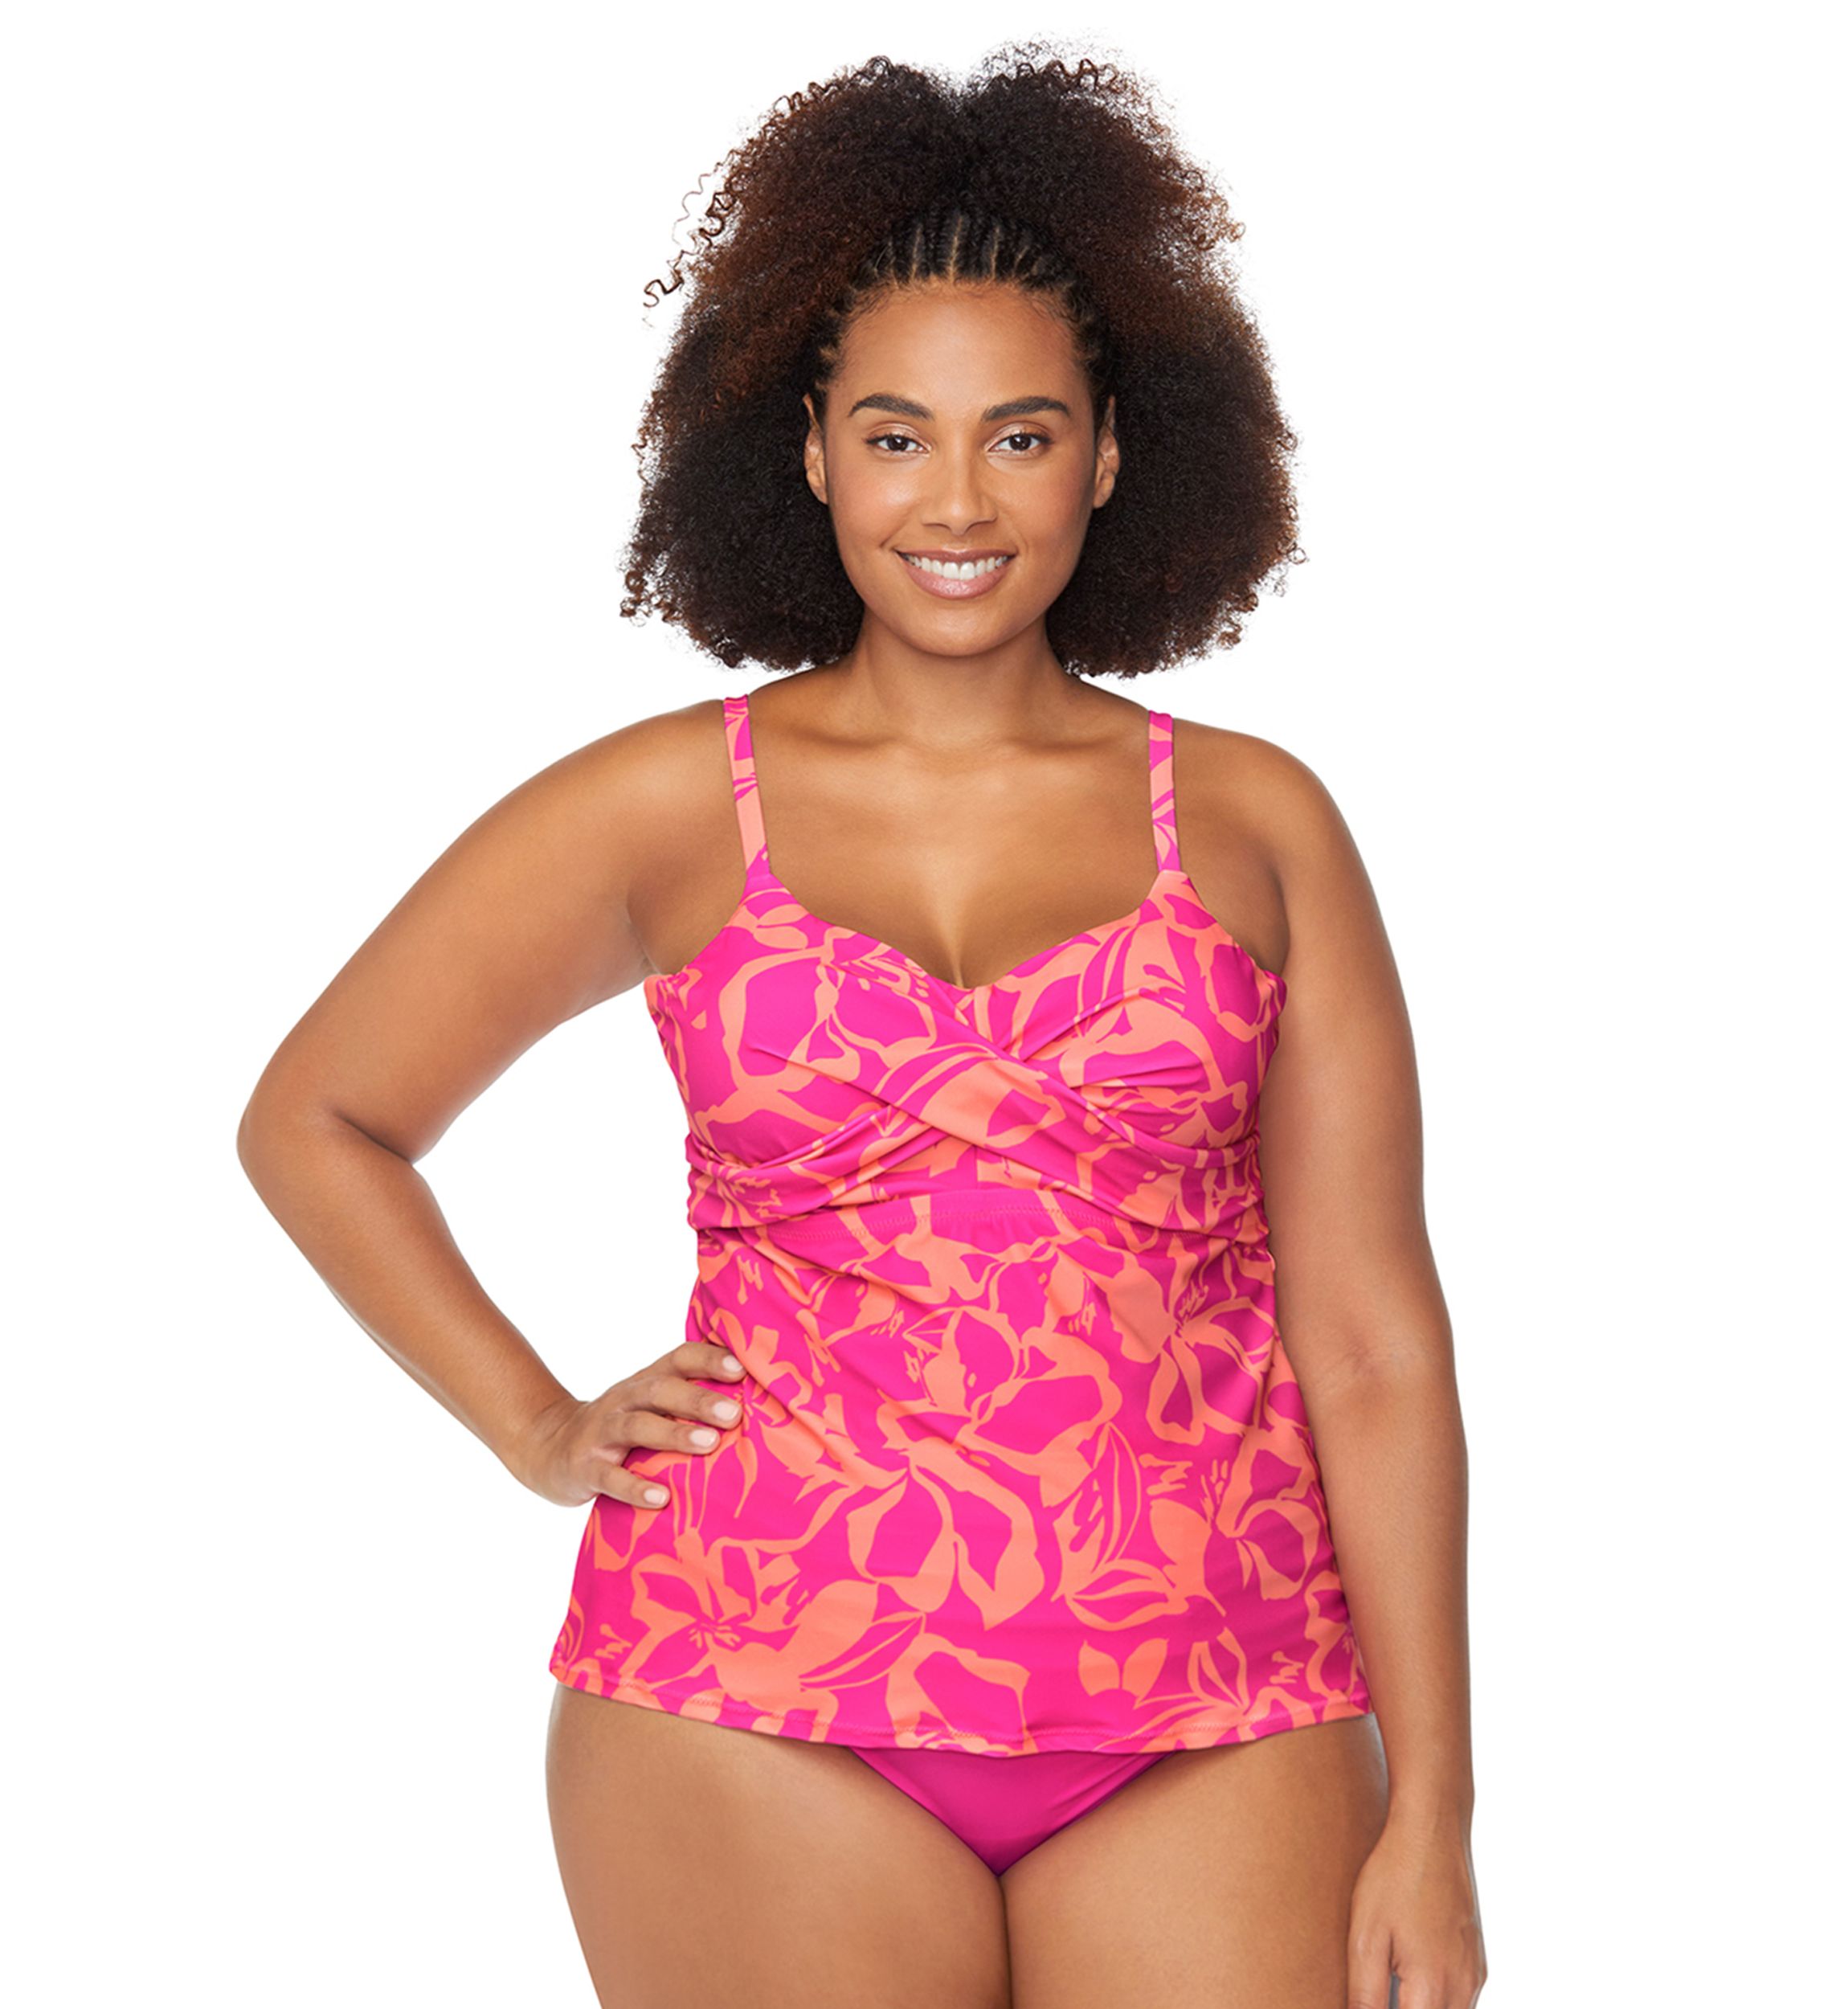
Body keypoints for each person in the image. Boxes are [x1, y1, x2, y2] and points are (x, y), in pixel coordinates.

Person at [237, 44, 1486, 2009]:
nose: (957, 500)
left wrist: (1440, 1809)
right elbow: (318, 1115)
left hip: (1221, 1700)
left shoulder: (1257, 823)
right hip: (744, 1694)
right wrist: (537, 1422)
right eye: (896, 435)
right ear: (810, 451)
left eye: (1021, 433)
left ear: (1109, 455)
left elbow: (1371, 1339)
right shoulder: (665, 806)